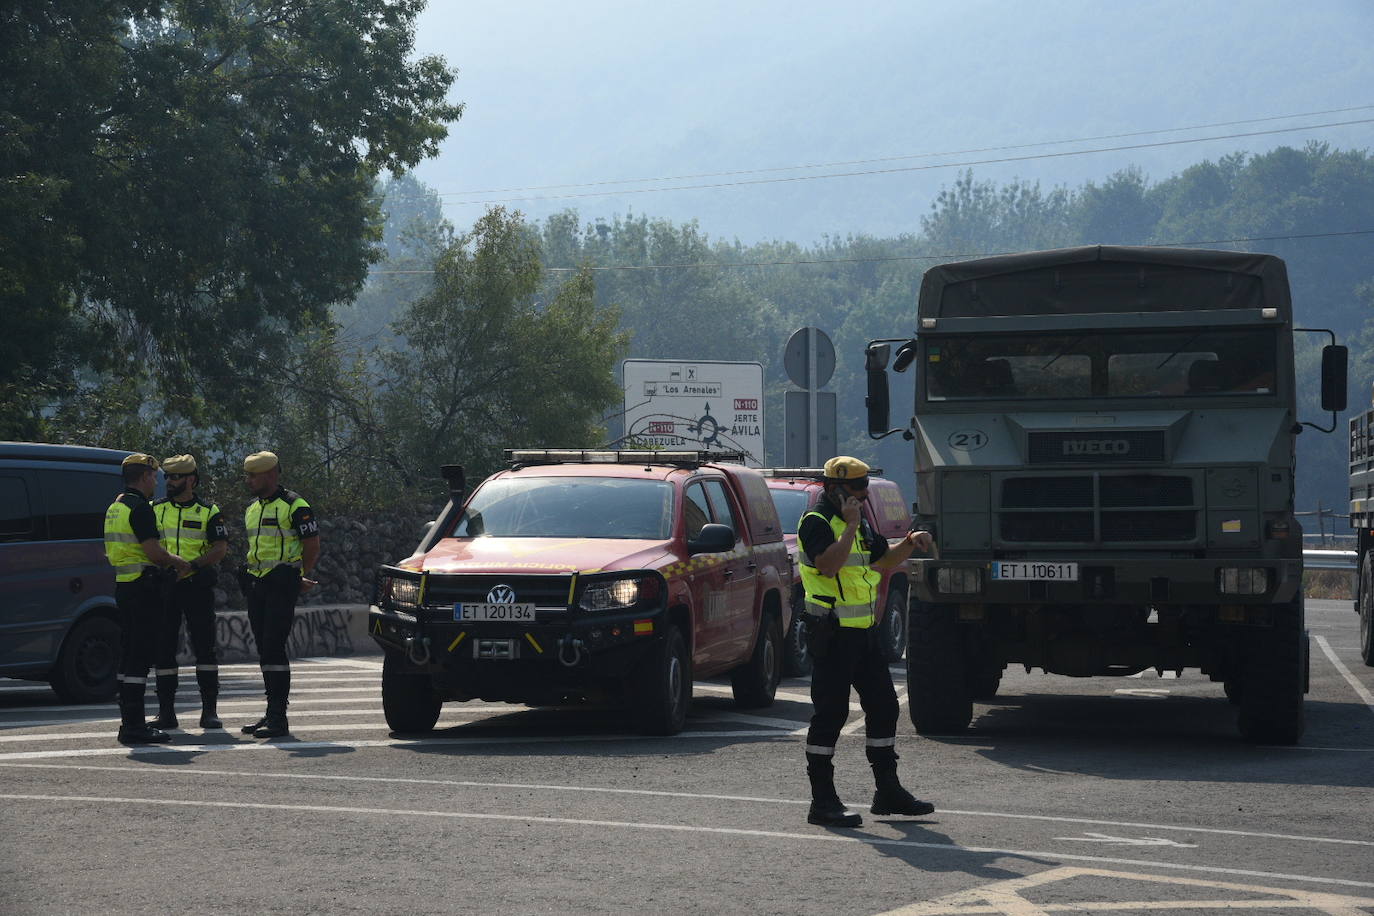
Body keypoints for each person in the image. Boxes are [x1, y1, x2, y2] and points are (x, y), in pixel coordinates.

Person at [798, 455, 935, 828]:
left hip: (863, 635)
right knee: (830, 715)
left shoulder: (858, 524)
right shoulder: (817, 523)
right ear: (834, 489)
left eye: (865, 487)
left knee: (885, 707)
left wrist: (910, 542)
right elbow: (828, 565)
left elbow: (884, 559)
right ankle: (822, 802)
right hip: (832, 634)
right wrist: (851, 525)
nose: (863, 493)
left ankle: (887, 792)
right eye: (857, 488)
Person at [103, 453, 192, 744]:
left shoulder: (115, 508)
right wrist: (178, 562)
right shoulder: (140, 509)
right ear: (144, 477)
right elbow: (154, 552)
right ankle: (134, 726)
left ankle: (127, 721)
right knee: (139, 659)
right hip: (143, 588)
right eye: (154, 476)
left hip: (124, 586)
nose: (157, 481)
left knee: (127, 656)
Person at [240, 451, 320, 738]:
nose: (248, 480)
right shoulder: (252, 508)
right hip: (256, 583)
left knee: (274, 647)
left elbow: (312, 544)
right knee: (264, 649)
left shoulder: (294, 505)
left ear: (271, 475)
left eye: (253, 475)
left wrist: (301, 574)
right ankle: (271, 712)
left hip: (282, 582)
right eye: (247, 475)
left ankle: (278, 717)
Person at [148, 454, 229, 730]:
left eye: (175, 477)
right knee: (164, 648)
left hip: (196, 586)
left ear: (191, 480)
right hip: (165, 586)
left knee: (205, 648)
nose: (169, 481)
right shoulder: (154, 508)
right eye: (167, 477)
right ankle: (166, 713)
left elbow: (220, 548)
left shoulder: (208, 511)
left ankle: (209, 712)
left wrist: (193, 565)